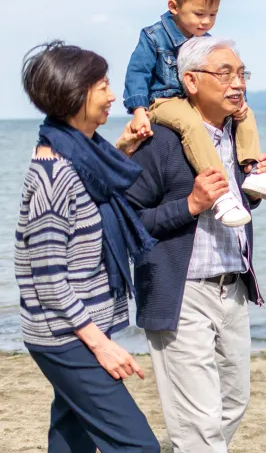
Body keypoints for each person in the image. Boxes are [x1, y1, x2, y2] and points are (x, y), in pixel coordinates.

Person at [126, 36, 266, 453]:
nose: (237, 83)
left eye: (242, 73)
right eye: (224, 73)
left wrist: (252, 190)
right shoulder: (161, 141)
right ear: (190, 81)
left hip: (234, 288)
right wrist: (190, 205)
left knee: (234, 404)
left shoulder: (236, 137)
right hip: (181, 293)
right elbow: (127, 221)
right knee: (199, 425)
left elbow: (234, 209)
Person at [14, 41, 159, 452]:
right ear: (75, 93)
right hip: (64, 336)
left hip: (73, 328)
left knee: (71, 436)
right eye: (103, 86)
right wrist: (101, 345)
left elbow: (92, 189)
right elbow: (48, 279)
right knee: (138, 446)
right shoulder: (53, 175)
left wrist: (122, 148)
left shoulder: (81, 154)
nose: (113, 96)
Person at [123, 0, 266, 228]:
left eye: (212, 15)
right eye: (199, 14)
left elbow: (230, 72)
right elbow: (137, 73)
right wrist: (139, 111)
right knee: (192, 124)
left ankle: (254, 172)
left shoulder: (206, 41)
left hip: (192, 102)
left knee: (245, 114)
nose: (205, 22)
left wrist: (240, 103)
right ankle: (221, 191)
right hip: (163, 101)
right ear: (174, 7)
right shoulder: (154, 36)